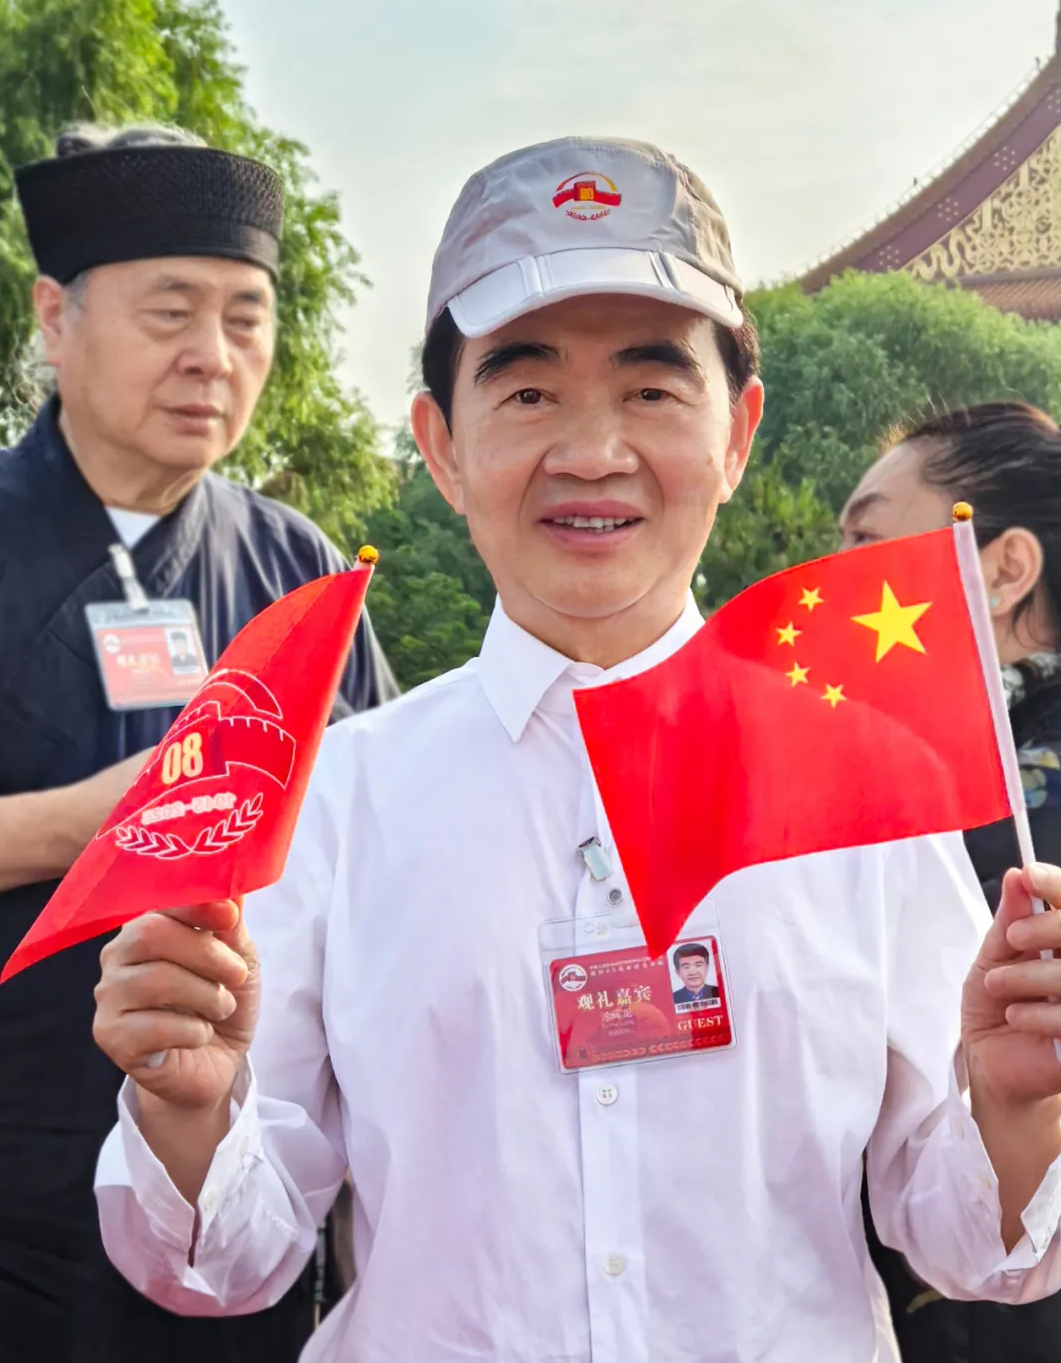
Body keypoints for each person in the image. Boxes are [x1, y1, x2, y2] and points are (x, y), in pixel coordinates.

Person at [91, 137, 1061, 1363]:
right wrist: (186, 1110)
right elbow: (230, 1263)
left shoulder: (869, 783)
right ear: (441, 445)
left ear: (736, 433)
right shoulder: (337, 799)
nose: (592, 452)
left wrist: (1018, 1103)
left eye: (651, 390)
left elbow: (967, 1242)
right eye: (528, 391)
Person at [0, 124, 395, 1363]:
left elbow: (380, 841)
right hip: (21, 1162)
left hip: (237, 1177)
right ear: (55, 317)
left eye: (245, 317)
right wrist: (93, 825)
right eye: (171, 313)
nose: (212, 357)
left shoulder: (297, 565)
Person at [841, 402, 1061, 1363]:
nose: (826, 579)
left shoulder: (991, 799)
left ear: (1003, 569)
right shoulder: (890, 776)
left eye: (865, 542)